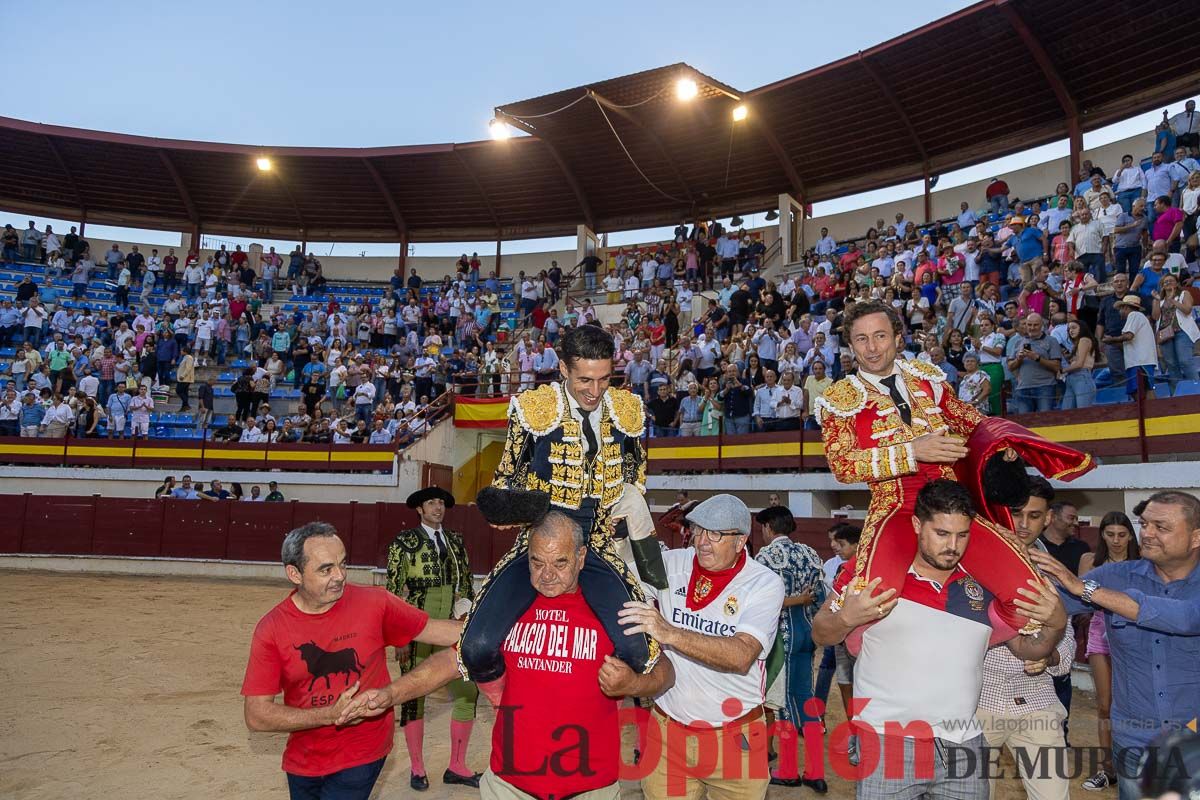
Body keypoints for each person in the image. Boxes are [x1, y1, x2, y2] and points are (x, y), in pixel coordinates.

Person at [817, 301, 1092, 635]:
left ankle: (965, 647)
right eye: (861, 339)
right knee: (871, 604)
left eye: (880, 336)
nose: (872, 348)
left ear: (897, 337)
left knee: (1030, 598)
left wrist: (999, 446)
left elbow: (970, 421)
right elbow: (843, 465)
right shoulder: (838, 400)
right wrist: (912, 451)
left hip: (954, 506)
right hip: (896, 506)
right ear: (850, 345)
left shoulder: (928, 380)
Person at [812, 479, 1068, 800]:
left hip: (963, 744)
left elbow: (1030, 649)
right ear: (918, 525)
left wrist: (1057, 623)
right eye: (942, 534)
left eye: (962, 535)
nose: (953, 546)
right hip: (887, 740)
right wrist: (847, 618)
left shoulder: (983, 585)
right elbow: (821, 632)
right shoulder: (873, 570)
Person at [459, 325, 667, 699]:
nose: (595, 390)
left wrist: (623, 508)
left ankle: (580, 700)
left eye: (604, 379)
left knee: (637, 649)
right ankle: (508, 702)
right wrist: (523, 506)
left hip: (597, 545)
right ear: (563, 369)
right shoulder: (533, 410)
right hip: (539, 543)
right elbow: (507, 480)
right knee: (477, 647)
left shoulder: (628, 410)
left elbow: (636, 475)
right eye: (584, 379)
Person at [241, 522, 466, 800]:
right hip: (303, 757)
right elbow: (257, 715)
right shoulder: (271, 629)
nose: (339, 576)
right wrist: (329, 715)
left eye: (342, 564)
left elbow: (439, 631)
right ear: (294, 574)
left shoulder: (375, 603)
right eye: (326, 569)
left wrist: (505, 624)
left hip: (363, 750)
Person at [1030, 491, 1200, 800]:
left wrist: (1086, 588)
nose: (1146, 533)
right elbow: (1049, 603)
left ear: (1196, 536)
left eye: (1161, 527)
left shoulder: (1101, 585)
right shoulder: (1114, 576)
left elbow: (1188, 618)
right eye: (1144, 524)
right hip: (1134, 739)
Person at [617, 494, 785, 800]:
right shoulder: (671, 564)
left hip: (737, 738)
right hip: (667, 733)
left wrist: (669, 632)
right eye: (698, 531)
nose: (703, 542)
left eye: (716, 534)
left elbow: (741, 655)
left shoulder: (763, 583)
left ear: (741, 540)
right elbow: (620, 579)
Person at [976, 477, 1076, 800]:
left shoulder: (1050, 570)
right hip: (977, 701)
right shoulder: (971, 560)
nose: (1022, 523)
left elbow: (1068, 641)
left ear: (1048, 519)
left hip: (1038, 703)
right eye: (1016, 513)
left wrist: (1049, 656)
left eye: (1034, 515)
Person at [385, 487, 480, 791]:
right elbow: (393, 593)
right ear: (419, 509)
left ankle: (457, 765)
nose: (438, 508)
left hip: (450, 627)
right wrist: (398, 636)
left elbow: (465, 585)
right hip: (415, 624)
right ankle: (417, 768)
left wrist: (464, 615)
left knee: (467, 690)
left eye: (441, 503)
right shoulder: (404, 542)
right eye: (431, 503)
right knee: (414, 696)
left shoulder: (455, 541)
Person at [754, 505, 828, 790]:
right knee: (807, 701)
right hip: (806, 637)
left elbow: (762, 603)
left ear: (769, 528)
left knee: (783, 705)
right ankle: (816, 772)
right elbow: (820, 598)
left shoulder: (766, 557)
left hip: (780, 640)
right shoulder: (811, 554)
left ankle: (787, 769)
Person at [1078, 511, 1140, 792]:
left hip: (1133, 639)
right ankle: (1107, 769)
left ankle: (1134, 765)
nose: (1116, 540)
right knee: (1104, 706)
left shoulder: (1142, 563)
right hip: (1100, 635)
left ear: (1130, 535)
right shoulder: (1090, 561)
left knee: (1133, 704)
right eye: (1110, 534)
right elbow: (1079, 598)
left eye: (1122, 534)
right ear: (1102, 534)